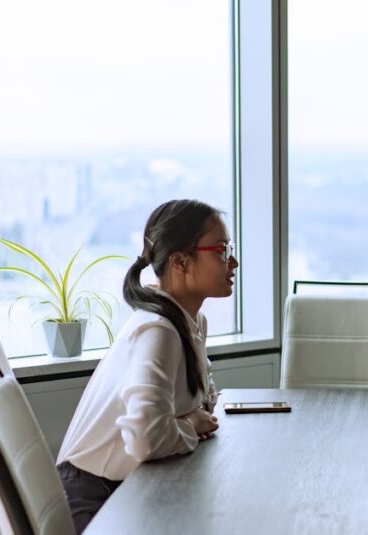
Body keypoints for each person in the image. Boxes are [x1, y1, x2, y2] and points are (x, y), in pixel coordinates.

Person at [56, 199, 237, 533]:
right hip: (95, 498)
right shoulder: (157, 331)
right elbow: (146, 439)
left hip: (130, 485)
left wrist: (192, 417)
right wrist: (192, 424)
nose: (233, 261)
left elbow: (202, 399)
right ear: (181, 262)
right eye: (222, 250)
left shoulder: (189, 321)